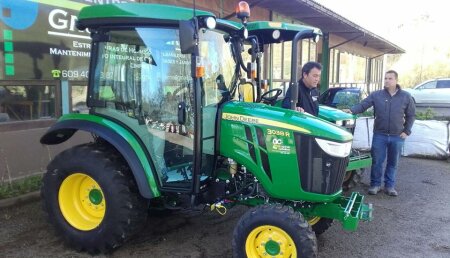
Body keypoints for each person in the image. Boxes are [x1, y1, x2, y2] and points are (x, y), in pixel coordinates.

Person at [344, 70, 415, 196]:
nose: (387, 80)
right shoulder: (377, 95)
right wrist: (351, 110)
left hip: (397, 136)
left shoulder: (406, 96)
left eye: (390, 78)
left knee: (393, 162)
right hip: (380, 135)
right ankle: (375, 185)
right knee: (377, 161)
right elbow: (363, 105)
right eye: (386, 78)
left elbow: (411, 115)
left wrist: (406, 131)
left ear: (396, 80)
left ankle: (390, 186)